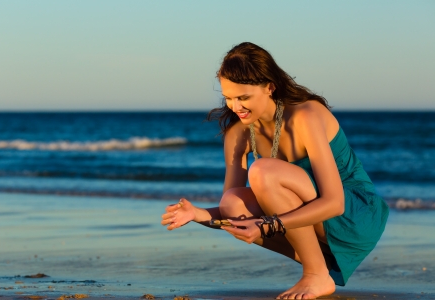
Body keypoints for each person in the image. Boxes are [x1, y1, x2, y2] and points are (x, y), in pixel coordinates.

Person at [161, 42, 389, 300]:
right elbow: (231, 214)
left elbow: (334, 203)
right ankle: (318, 267)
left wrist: (268, 224)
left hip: (355, 215)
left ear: (269, 87)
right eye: (229, 98)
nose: (236, 107)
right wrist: (197, 214)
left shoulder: (306, 115)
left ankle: (316, 274)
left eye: (243, 97)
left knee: (262, 171)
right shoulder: (238, 135)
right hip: (314, 222)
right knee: (232, 202)